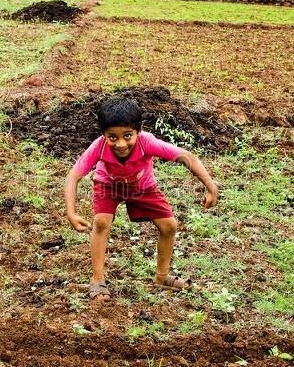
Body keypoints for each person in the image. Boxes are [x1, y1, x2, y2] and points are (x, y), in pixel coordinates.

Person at [64, 97, 218, 301]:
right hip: (108, 186)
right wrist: (71, 213)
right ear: (103, 134)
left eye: (127, 136)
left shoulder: (147, 142)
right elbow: (73, 176)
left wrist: (211, 186)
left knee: (169, 226)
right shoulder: (99, 146)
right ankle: (97, 280)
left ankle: (162, 277)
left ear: (138, 130)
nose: (120, 144)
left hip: (142, 187)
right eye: (112, 137)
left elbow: (186, 156)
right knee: (101, 223)